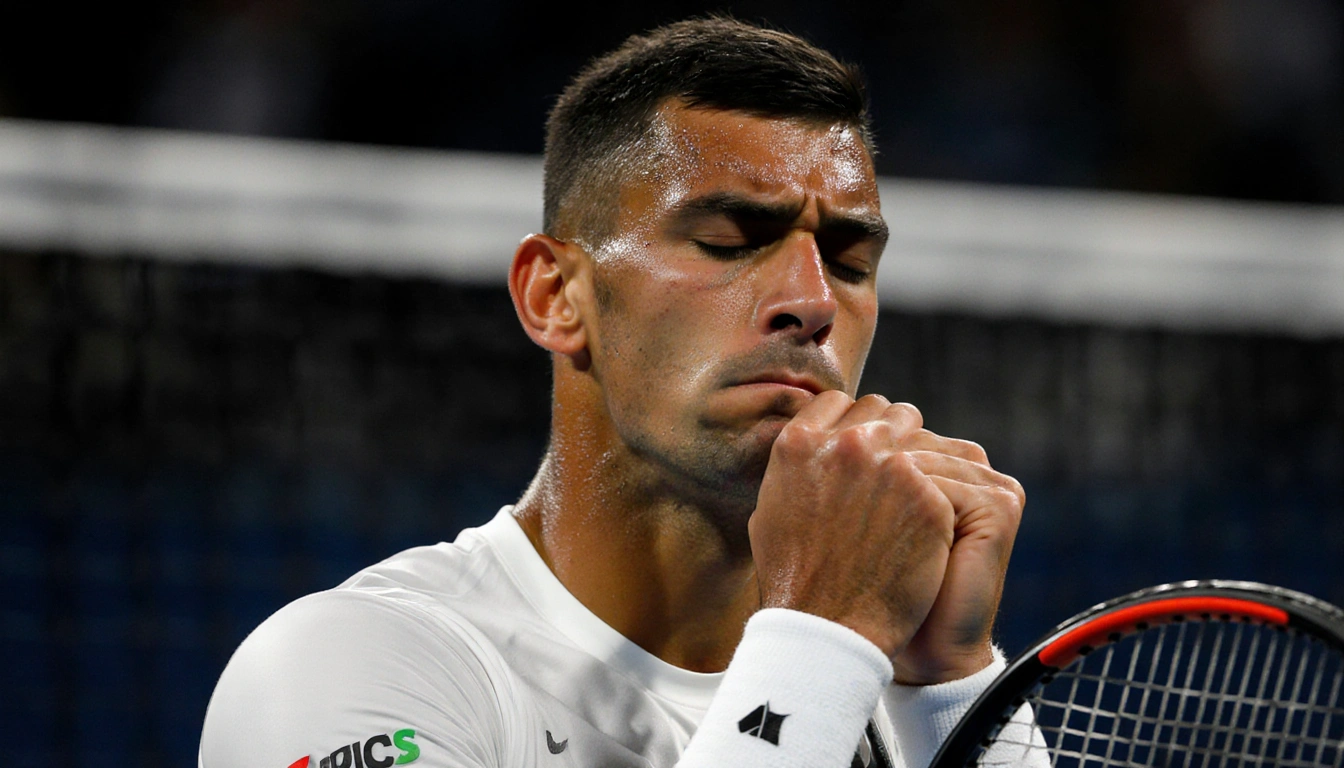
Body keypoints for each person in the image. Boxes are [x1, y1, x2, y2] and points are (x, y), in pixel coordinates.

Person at [199, 17, 1027, 768]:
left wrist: (948, 685)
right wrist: (819, 641)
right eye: (729, 242)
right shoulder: (355, 665)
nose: (812, 302)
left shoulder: (878, 685)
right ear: (555, 296)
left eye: (850, 263)